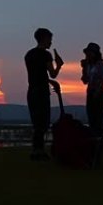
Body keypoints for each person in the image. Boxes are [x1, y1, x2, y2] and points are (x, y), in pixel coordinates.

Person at [24, 27, 63, 161]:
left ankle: (36, 150)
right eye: (50, 40)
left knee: (37, 122)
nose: (51, 43)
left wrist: (50, 82)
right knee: (44, 122)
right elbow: (52, 73)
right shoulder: (46, 55)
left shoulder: (29, 54)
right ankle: (38, 151)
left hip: (32, 91)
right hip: (42, 92)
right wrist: (59, 65)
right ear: (44, 38)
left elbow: (36, 74)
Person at [80, 42, 103, 137]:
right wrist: (83, 69)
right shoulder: (88, 65)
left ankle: (99, 140)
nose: (88, 55)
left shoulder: (101, 64)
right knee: (91, 118)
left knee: (98, 119)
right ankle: (94, 140)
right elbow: (85, 80)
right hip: (90, 93)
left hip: (99, 93)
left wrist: (97, 90)